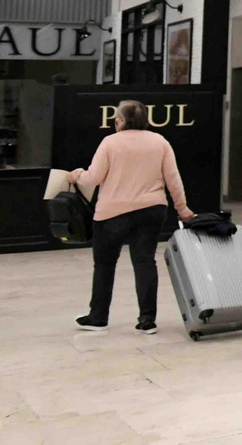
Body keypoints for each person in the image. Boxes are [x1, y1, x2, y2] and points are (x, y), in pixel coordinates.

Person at [69, 99, 195, 333]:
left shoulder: (110, 143)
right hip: (151, 210)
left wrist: (76, 175)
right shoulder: (160, 142)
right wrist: (182, 208)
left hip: (111, 213)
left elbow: (92, 178)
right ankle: (147, 320)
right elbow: (173, 179)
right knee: (145, 261)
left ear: (120, 120)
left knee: (105, 265)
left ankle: (98, 317)